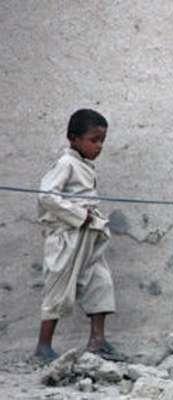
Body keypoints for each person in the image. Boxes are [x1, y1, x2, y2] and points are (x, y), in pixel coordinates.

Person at [34, 109, 125, 363]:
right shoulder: (65, 163)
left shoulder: (83, 164)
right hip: (68, 237)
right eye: (94, 140)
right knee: (59, 288)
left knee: (101, 281)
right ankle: (43, 347)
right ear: (74, 139)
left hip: (88, 236)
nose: (99, 146)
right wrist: (78, 214)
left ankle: (97, 341)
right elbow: (47, 196)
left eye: (102, 141)